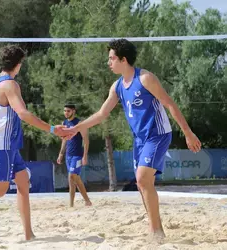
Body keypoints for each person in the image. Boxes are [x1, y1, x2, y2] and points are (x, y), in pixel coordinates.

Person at [64, 39, 201, 238]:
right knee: (143, 184)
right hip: (139, 139)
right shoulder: (117, 86)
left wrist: (188, 133)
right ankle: (155, 227)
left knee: (142, 179)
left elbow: (169, 104)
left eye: (111, 58)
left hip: (158, 134)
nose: (108, 62)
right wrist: (75, 128)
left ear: (123, 59)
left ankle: (156, 232)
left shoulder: (145, 78)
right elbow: (102, 114)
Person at [0, 45, 72, 240]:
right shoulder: (10, 85)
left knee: (22, 181)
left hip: (8, 145)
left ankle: (29, 234)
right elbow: (23, 113)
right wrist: (52, 129)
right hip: (2, 145)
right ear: (18, 64)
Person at [57, 104, 92, 207]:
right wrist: (61, 154)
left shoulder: (79, 123)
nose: (66, 113)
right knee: (71, 180)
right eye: (64, 111)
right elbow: (64, 140)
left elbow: (86, 140)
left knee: (73, 175)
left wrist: (85, 156)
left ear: (73, 111)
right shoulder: (64, 123)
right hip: (68, 155)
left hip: (77, 155)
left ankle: (87, 201)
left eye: (68, 111)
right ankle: (71, 204)